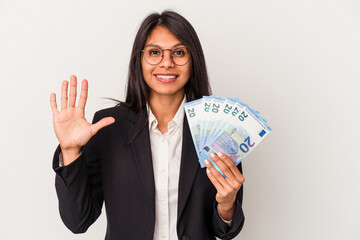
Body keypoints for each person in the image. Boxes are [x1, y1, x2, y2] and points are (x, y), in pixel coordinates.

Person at [50, 10, 245, 240]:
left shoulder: (217, 129)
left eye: (179, 53)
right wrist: (71, 151)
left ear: (193, 61)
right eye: (154, 52)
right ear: (139, 60)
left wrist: (227, 204)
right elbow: (78, 220)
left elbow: (224, 230)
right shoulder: (109, 127)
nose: (167, 63)